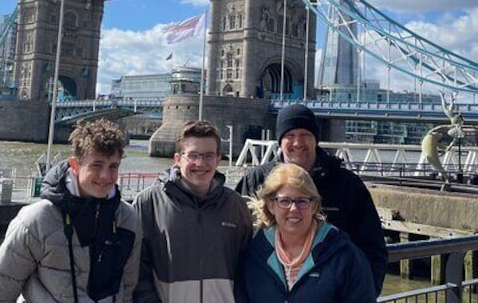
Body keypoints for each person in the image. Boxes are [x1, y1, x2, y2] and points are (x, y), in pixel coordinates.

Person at [0, 119, 142, 302]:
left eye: (113, 166)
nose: (105, 176)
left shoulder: (128, 219)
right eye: (97, 165)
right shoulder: (37, 219)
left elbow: (128, 288)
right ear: (75, 165)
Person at [235, 104, 388, 294]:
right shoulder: (255, 181)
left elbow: (373, 249)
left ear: (316, 139)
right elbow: (237, 244)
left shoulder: (347, 185)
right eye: (290, 136)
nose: (298, 143)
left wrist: (363, 293)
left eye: (305, 135)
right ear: (280, 141)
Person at [133, 120, 253, 303]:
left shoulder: (235, 205)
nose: (200, 163)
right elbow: (137, 270)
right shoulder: (148, 203)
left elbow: (247, 266)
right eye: (193, 155)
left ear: (218, 160)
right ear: (177, 159)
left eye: (208, 155)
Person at [236, 163, 376, 302]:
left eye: (302, 201)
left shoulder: (345, 257)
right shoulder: (254, 255)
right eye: (284, 201)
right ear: (271, 205)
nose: (293, 208)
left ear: (314, 206)